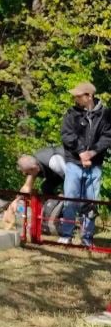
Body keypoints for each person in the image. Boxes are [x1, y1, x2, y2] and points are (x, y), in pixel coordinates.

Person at [58, 81, 111, 247]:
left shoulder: (105, 114)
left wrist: (93, 152)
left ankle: (87, 238)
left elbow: (108, 137)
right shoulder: (71, 113)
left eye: (78, 96)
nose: (75, 98)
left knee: (92, 202)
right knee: (70, 199)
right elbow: (67, 135)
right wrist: (81, 153)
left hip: (95, 165)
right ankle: (66, 234)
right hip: (74, 162)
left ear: (89, 96)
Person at [1, 147, 65, 236]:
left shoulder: (53, 162)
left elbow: (71, 179)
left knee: (66, 195)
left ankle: (64, 219)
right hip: (56, 174)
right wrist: (16, 201)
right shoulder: (33, 165)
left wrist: (64, 193)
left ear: (34, 168)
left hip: (73, 170)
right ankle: (51, 216)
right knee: (45, 187)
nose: (26, 175)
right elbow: (26, 187)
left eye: (27, 173)